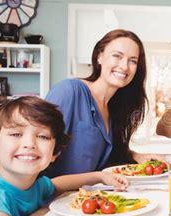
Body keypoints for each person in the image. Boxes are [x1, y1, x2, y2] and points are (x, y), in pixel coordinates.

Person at [0, 96, 157, 216]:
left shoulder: (34, 184)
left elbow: (56, 184)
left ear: (54, 153)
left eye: (42, 136)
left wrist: (99, 176)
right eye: (15, 134)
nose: (30, 143)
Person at [45, 29, 162, 177]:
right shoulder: (69, 91)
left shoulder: (114, 107)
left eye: (133, 61)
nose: (125, 66)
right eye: (117, 56)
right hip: (52, 196)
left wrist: (135, 156)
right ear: (99, 56)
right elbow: (38, 148)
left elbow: (106, 155)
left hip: (85, 197)